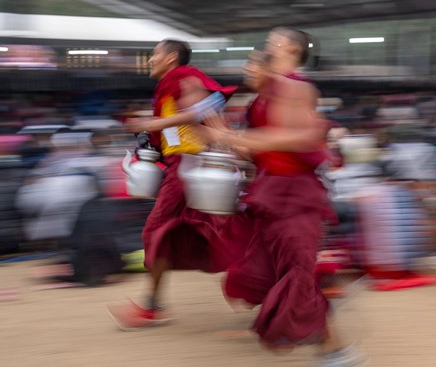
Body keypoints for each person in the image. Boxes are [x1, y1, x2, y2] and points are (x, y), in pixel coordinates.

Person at [201, 28, 367, 366]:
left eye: (273, 40)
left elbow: (302, 140)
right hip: (269, 193)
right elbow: (260, 151)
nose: (264, 48)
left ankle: (337, 351)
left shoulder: (298, 88)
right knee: (262, 272)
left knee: (295, 276)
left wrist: (235, 139)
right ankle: (324, 297)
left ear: (290, 47)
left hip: (295, 195)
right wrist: (228, 141)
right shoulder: (264, 97)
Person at [106, 39, 237, 330]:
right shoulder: (173, 83)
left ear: (171, 57)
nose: (150, 59)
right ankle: (152, 306)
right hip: (189, 169)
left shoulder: (184, 77)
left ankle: (152, 308)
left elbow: (209, 107)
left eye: (154, 53)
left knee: (158, 232)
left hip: (190, 169)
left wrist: (156, 125)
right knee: (211, 234)